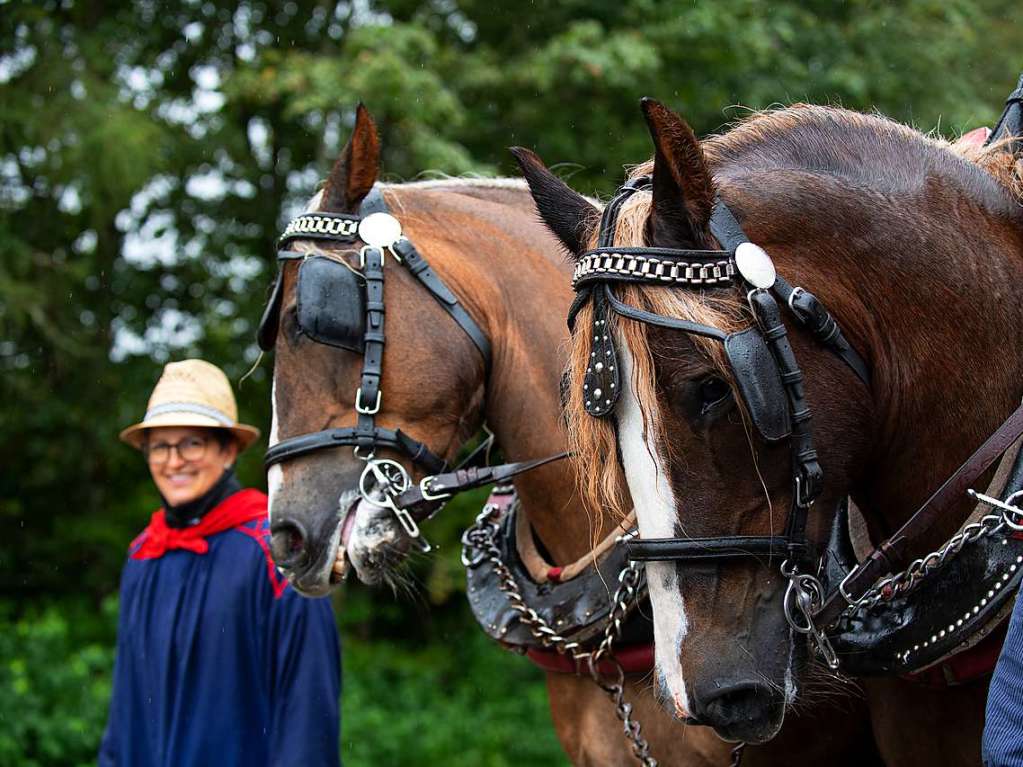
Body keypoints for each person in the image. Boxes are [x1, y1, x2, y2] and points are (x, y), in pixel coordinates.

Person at [99, 359, 341, 767]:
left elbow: (307, 704)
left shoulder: (278, 551)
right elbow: (127, 707)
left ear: (227, 450)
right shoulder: (144, 555)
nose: (174, 461)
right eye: (159, 446)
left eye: (191, 443)